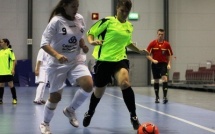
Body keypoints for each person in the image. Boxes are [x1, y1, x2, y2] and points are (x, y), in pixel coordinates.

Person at [82, 0, 148, 130]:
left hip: (120, 59)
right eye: (122, 11)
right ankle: (90, 112)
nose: (124, 14)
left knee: (124, 83)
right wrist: (92, 42)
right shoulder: (107, 21)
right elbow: (90, 32)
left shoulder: (129, 26)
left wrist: (139, 50)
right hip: (104, 60)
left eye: (127, 12)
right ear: (117, 8)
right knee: (99, 92)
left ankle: (133, 116)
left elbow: (127, 43)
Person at [39, 0, 93, 133]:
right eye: (73, 6)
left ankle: (70, 110)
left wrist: (83, 45)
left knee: (88, 85)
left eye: (77, 6)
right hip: (57, 63)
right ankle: (45, 123)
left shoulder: (79, 18)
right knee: (56, 97)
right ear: (64, 5)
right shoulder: (56, 21)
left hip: (75, 60)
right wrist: (57, 55)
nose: (76, 9)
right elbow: (44, 43)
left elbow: (78, 36)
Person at [146, 29, 173, 104]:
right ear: (157, 34)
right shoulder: (152, 43)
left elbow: (170, 55)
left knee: (164, 78)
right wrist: (153, 60)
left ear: (164, 35)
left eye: (162, 34)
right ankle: (157, 97)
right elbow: (147, 55)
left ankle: (165, 97)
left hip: (163, 64)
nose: (160, 36)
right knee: (156, 80)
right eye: (159, 34)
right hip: (155, 64)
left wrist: (169, 64)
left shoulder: (167, 44)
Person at [0, 38, 17, 104]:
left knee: (11, 85)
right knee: (1, 85)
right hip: (1, 72)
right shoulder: (0, 52)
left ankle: (14, 98)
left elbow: (13, 60)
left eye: (1, 42)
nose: (0, 43)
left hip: (8, 72)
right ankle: (0, 99)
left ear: (6, 43)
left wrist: (13, 69)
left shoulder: (10, 51)